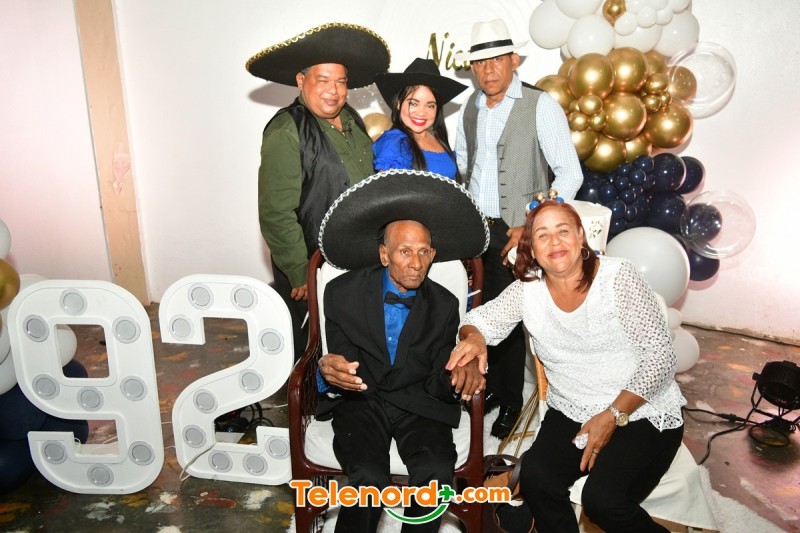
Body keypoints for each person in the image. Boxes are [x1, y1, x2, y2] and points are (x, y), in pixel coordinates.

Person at [447, 199, 687, 532]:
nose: (555, 242)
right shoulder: (528, 291)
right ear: (532, 249)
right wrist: (474, 339)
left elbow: (661, 358)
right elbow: (479, 320)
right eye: (542, 235)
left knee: (604, 501)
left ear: (580, 236)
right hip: (572, 409)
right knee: (537, 479)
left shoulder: (617, 277)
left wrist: (612, 415)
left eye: (563, 231)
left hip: (641, 410)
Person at [315, 169, 489, 532]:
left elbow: (438, 376)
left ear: (433, 254)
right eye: (405, 251)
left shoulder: (444, 305)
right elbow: (340, 366)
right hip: (363, 400)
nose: (416, 263)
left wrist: (460, 374)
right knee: (368, 479)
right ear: (384, 254)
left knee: (436, 475)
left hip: (418, 403)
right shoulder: (341, 293)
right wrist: (325, 373)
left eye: (424, 252)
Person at [452, 18, 585, 439]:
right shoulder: (470, 108)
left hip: (517, 231)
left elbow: (570, 173)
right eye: (480, 62)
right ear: (472, 68)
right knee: (479, 310)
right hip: (475, 230)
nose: (488, 69)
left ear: (514, 60)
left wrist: (531, 222)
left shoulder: (540, 105)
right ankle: (489, 387)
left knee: (513, 315)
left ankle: (510, 399)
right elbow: (465, 167)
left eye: (497, 59)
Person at [246, 23, 390, 358]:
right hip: (314, 265)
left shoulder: (351, 118)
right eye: (323, 80)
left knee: (354, 346)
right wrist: (300, 273)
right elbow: (276, 212)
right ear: (301, 81)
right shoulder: (286, 129)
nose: (334, 91)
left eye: (341, 81)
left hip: (357, 260)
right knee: (317, 350)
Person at [372, 58, 467, 179]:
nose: (421, 113)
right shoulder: (394, 144)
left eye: (430, 105)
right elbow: (388, 189)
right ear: (399, 103)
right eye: (413, 103)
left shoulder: (438, 138)